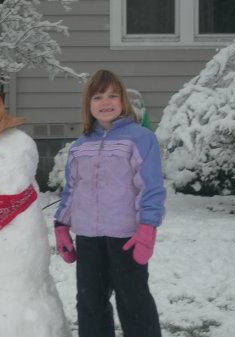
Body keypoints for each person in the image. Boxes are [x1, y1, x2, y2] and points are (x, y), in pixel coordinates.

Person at [54, 69, 166, 337]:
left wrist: (147, 227)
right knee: (90, 303)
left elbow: (150, 186)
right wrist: (61, 225)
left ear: (123, 100)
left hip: (126, 236)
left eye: (112, 95)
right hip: (88, 237)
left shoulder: (139, 138)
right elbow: (72, 189)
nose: (106, 102)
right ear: (88, 105)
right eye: (98, 97)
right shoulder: (80, 146)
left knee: (133, 302)